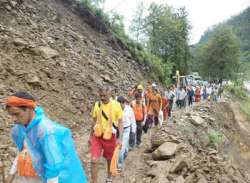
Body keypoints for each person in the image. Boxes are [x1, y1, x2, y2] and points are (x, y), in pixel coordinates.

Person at [5, 92, 88, 183]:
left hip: (64, 178)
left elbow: (54, 168)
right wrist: (11, 174)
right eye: (11, 115)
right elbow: (22, 151)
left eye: (16, 114)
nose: (13, 119)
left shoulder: (46, 131)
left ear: (29, 109)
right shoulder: (21, 128)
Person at [89, 87, 123, 183]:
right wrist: (90, 136)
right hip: (97, 136)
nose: (102, 98)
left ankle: (109, 176)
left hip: (110, 137)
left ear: (110, 94)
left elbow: (120, 122)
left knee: (109, 159)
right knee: (94, 161)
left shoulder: (116, 105)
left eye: (105, 95)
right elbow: (94, 121)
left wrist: (120, 138)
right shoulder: (97, 104)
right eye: (101, 96)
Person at [117, 96, 136, 171]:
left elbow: (133, 121)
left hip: (126, 130)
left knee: (122, 149)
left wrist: (133, 132)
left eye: (120, 104)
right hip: (118, 130)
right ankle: (120, 163)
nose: (119, 106)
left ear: (124, 103)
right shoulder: (116, 109)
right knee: (120, 148)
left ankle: (120, 163)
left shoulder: (129, 109)